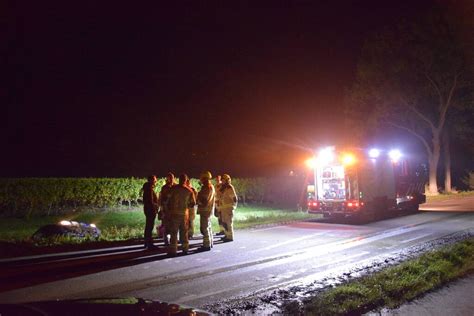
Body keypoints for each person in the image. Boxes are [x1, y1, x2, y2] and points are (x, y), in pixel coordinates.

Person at [166, 174, 196, 256]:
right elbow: (193, 203)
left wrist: (168, 210)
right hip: (184, 215)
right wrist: (186, 207)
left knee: (174, 232)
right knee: (184, 232)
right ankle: (185, 249)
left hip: (174, 214)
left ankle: (173, 250)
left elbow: (167, 200)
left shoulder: (172, 189)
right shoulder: (189, 191)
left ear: (179, 180)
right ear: (186, 180)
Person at [197, 171, 215, 251]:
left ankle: (206, 245)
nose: (201, 180)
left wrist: (198, 196)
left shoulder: (206, 187)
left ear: (204, 179)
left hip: (205, 210)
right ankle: (210, 243)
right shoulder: (211, 186)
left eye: (202, 179)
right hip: (208, 210)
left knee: (204, 228)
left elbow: (204, 200)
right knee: (208, 226)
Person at [218, 174, 238, 242]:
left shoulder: (230, 187)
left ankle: (230, 237)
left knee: (228, 223)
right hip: (223, 209)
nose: (222, 181)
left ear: (226, 180)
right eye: (222, 180)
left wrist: (233, 207)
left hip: (229, 209)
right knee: (224, 223)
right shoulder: (223, 188)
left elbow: (235, 198)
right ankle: (226, 235)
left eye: (223, 180)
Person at [142, 175, 159, 249]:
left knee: (148, 226)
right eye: (155, 180)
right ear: (151, 180)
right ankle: (149, 244)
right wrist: (155, 208)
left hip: (148, 209)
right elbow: (151, 201)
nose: (156, 182)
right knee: (149, 226)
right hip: (150, 210)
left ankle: (146, 242)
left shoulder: (147, 188)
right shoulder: (149, 189)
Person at [159, 172, 175, 245]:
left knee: (174, 224)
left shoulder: (175, 186)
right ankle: (166, 240)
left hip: (174, 209)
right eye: (169, 178)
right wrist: (162, 208)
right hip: (166, 209)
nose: (171, 179)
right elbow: (162, 198)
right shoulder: (164, 187)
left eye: (172, 178)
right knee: (166, 224)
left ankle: (173, 239)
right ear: (167, 179)